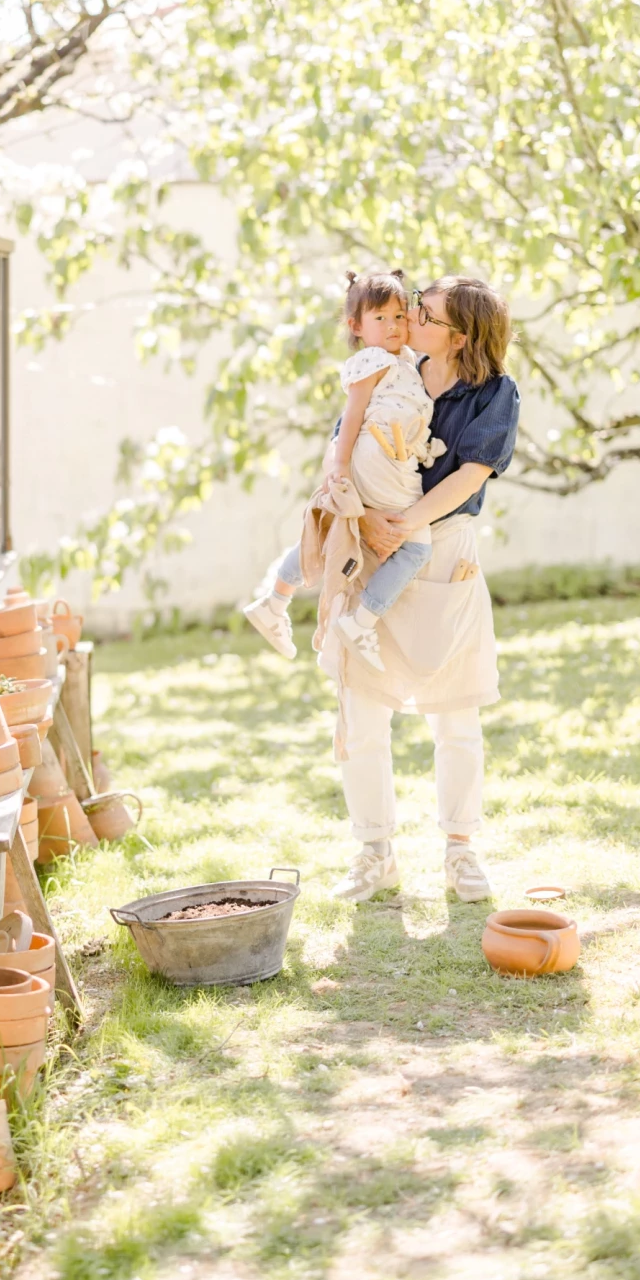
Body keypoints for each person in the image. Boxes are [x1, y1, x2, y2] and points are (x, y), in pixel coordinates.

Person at [247, 274, 519, 904]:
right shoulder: (391, 369)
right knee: (363, 717)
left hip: (443, 556)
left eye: (424, 313)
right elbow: (340, 443)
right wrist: (364, 518)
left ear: (459, 335)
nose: (409, 319)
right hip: (371, 549)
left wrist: (406, 524)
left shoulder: (495, 394)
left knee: (456, 717)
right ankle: (375, 853)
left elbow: (474, 472)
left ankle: (460, 851)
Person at [246, 269, 443, 671]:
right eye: (380, 319)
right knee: (417, 545)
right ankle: (361, 621)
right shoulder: (371, 361)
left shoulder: (404, 360)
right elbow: (351, 416)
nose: (393, 326)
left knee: (336, 530)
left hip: (387, 456)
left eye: (399, 316)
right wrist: (339, 467)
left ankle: (275, 600)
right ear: (356, 326)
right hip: (379, 459)